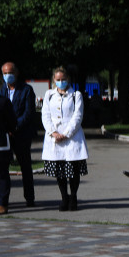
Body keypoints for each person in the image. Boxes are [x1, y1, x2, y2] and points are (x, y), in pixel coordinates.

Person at [41, 67, 90, 211]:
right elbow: (45, 115)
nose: (61, 82)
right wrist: (53, 132)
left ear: (68, 79)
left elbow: (77, 116)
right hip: (54, 140)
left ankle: (73, 196)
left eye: (63, 79)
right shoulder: (49, 95)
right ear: (54, 80)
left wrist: (66, 133)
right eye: (58, 80)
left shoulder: (76, 95)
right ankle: (64, 197)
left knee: (73, 171)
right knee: (60, 171)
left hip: (72, 139)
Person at [0, 62, 36, 207]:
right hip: (5, 135)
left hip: (21, 135)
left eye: (10, 72)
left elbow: (28, 113)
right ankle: (3, 200)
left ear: (16, 73)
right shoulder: (1, 90)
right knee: (2, 169)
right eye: (5, 73)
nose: (8, 75)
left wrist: (14, 127)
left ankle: (29, 198)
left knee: (25, 167)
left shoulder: (26, 90)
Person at [0, 71, 17, 215]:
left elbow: (12, 122)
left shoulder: (3, 102)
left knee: (1, 174)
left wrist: (9, 131)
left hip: (0, 142)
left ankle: (3, 203)